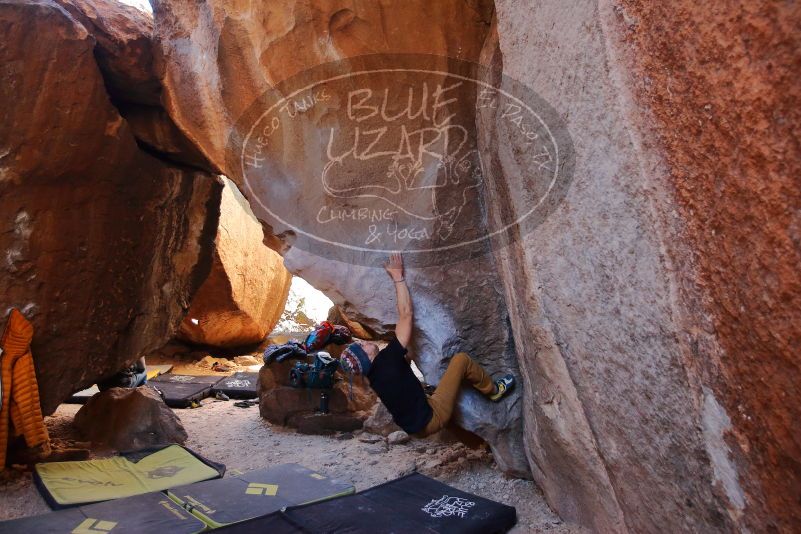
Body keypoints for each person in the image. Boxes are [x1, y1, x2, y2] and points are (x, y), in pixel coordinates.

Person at [339, 253, 515, 437]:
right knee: (461, 361)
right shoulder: (388, 360)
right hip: (432, 417)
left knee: (411, 365)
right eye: (362, 347)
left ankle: (471, 440)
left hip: (415, 429)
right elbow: (406, 315)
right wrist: (398, 278)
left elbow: (400, 367)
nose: (365, 342)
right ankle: (494, 390)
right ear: (367, 358)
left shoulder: (374, 376)